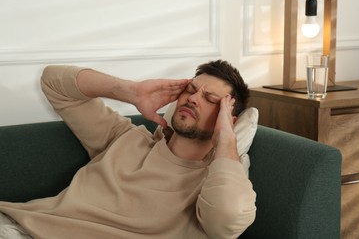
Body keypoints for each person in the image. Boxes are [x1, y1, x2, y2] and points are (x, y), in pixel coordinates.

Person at [0, 60, 256, 239]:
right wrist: (132, 92)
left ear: (228, 120)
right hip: (17, 226)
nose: (193, 98)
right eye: (191, 89)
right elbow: (53, 81)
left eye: (210, 100)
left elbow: (228, 219)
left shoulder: (211, 185)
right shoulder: (125, 137)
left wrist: (225, 138)